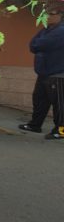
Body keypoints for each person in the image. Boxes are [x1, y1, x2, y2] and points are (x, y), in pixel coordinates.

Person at [19, 10, 64, 139]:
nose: (48, 16)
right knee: (39, 100)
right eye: (46, 14)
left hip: (58, 73)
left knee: (59, 104)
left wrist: (40, 44)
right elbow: (33, 45)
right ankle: (35, 125)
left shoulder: (61, 30)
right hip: (44, 72)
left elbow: (40, 44)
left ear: (60, 16)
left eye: (52, 14)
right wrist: (39, 44)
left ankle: (60, 131)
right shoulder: (46, 30)